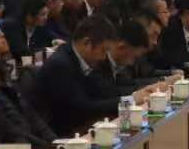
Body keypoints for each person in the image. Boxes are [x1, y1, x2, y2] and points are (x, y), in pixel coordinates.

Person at [29, 14, 159, 138]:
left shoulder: (80, 59)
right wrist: (130, 100)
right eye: (103, 50)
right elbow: (83, 108)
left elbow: (103, 94)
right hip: (59, 135)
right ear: (87, 43)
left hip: (79, 127)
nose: (104, 57)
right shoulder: (61, 65)